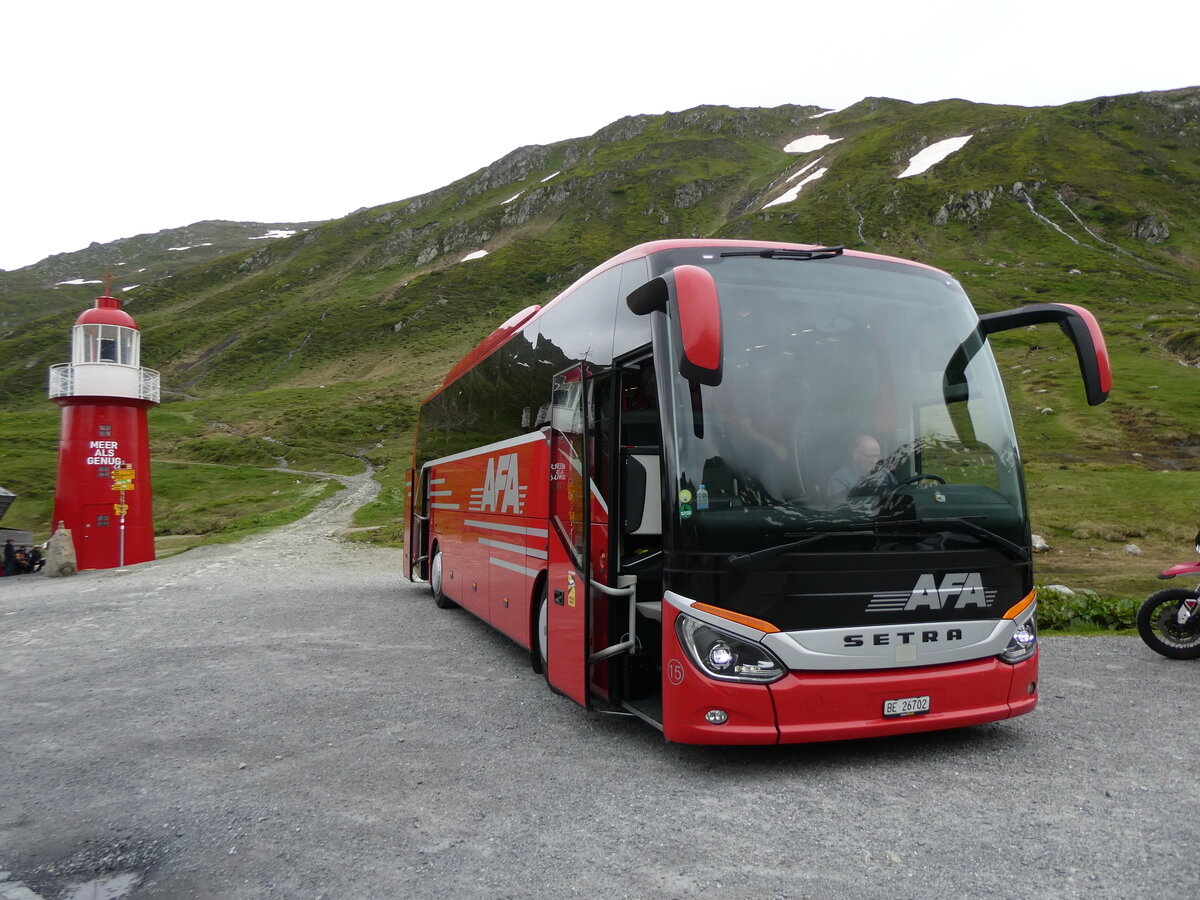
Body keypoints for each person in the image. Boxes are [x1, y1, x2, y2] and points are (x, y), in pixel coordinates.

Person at [826, 434, 896, 504]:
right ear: (855, 455)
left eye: (877, 456)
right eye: (870, 457)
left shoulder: (885, 474)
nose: (875, 461)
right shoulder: (839, 480)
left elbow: (898, 499)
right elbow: (840, 510)